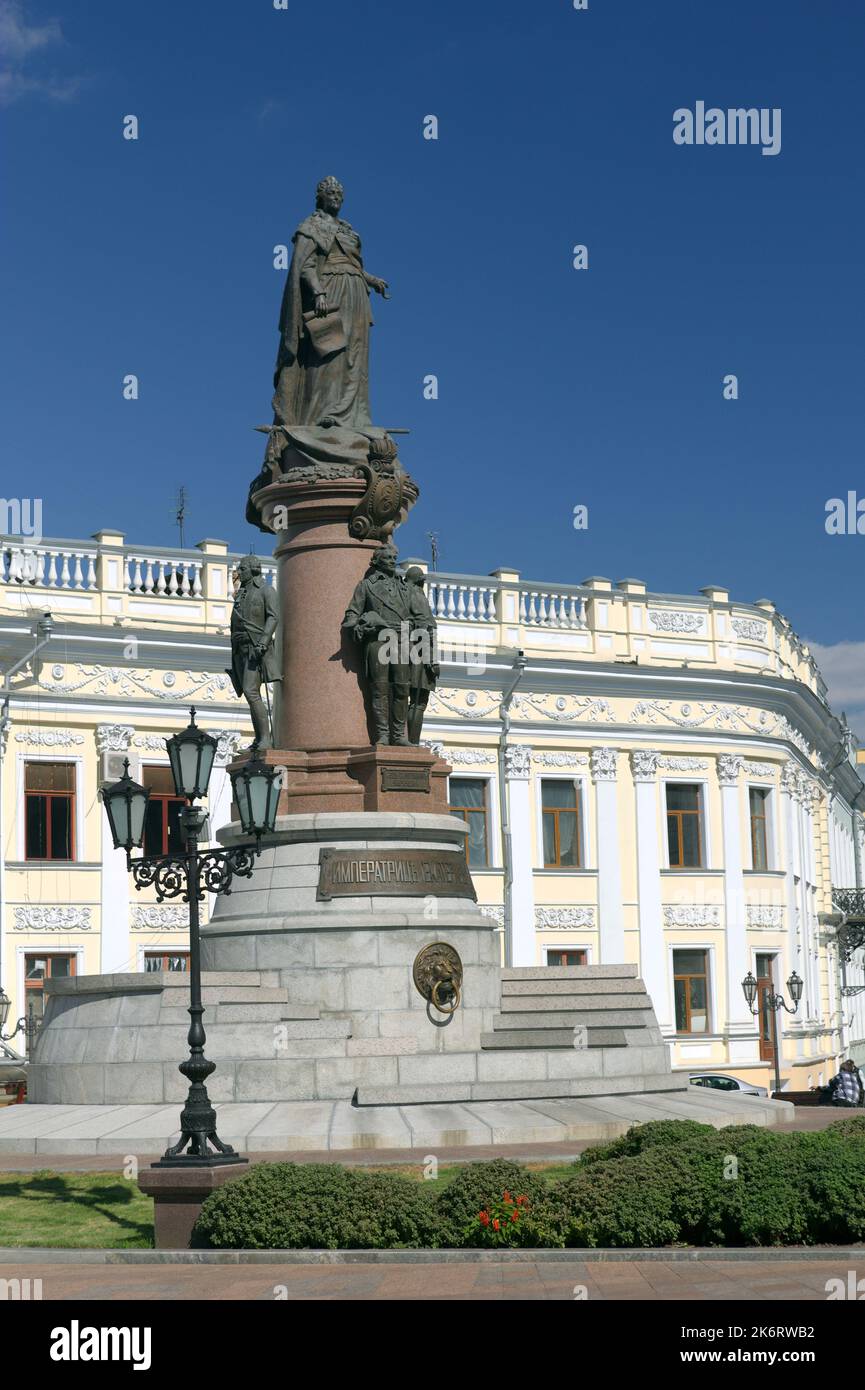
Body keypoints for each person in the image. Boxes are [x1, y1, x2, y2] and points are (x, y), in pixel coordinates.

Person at [271, 175, 390, 431]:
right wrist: (318, 292)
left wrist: (371, 280)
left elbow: (355, 265)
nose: (336, 199)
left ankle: (351, 416)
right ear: (320, 198)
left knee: (354, 357)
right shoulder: (313, 226)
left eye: (339, 195)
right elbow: (305, 265)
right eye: (331, 194)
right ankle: (320, 414)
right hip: (332, 291)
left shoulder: (347, 229)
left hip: (356, 295)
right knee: (329, 353)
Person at [342, 544, 412, 745]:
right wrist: (359, 627)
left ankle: (399, 735)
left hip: (401, 639)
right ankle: (383, 734)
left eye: (393, 558)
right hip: (378, 640)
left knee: (402, 688)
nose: (392, 561)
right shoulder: (367, 585)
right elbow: (351, 614)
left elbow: (417, 615)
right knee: (379, 688)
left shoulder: (404, 587)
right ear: (377, 561)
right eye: (388, 558)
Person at [226, 556, 280, 750]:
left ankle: (265, 739)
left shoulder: (266, 591)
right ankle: (259, 740)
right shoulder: (240, 594)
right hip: (240, 649)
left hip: (256, 649)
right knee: (249, 694)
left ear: (253, 570)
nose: (238, 573)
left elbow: (273, 617)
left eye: (242, 569)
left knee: (251, 691)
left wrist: (264, 643)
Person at [403, 566, 440, 744]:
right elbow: (426, 628)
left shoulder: (401, 594)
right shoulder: (417, 595)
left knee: (405, 699)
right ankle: (413, 742)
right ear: (419, 581)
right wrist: (432, 660)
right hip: (419, 653)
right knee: (418, 701)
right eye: (422, 581)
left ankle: (406, 740)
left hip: (402, 651)